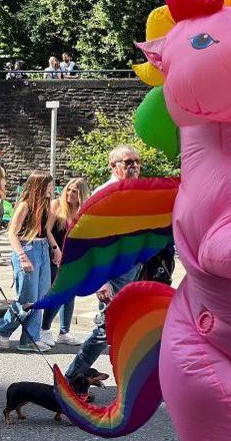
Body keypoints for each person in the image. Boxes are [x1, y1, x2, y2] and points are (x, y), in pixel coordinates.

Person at [66, 145, 145, 380]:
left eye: (137, 162)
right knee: (106, 329)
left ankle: (134, 378)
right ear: (112, 166)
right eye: (127, 162)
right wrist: (102, 280)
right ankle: (71, 379)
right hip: (112, 272)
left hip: (132, 266)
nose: (134, 166)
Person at [0, 171, 60, 352]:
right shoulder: (24, 205)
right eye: (48, 185)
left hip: (43, 249)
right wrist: (22, 257)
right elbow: (12, 233)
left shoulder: (45, 205)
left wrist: (55, 249)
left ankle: (30, 339)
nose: (52, 188)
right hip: (27, 249)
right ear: (38, 186)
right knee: (27, 298)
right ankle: (4, 330)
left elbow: (46, 231)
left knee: (41, 298)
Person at [39, 177, 89, 347]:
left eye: (75, 191)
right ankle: (44, 329)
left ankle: (64, 332)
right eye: (69, 189)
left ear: (81, 194)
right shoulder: (56, 205)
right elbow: (47, 230)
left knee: (70, 293)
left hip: (72, 258)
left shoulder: (83, 211)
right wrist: (56, 249)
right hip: (54, 254)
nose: (70, 193)